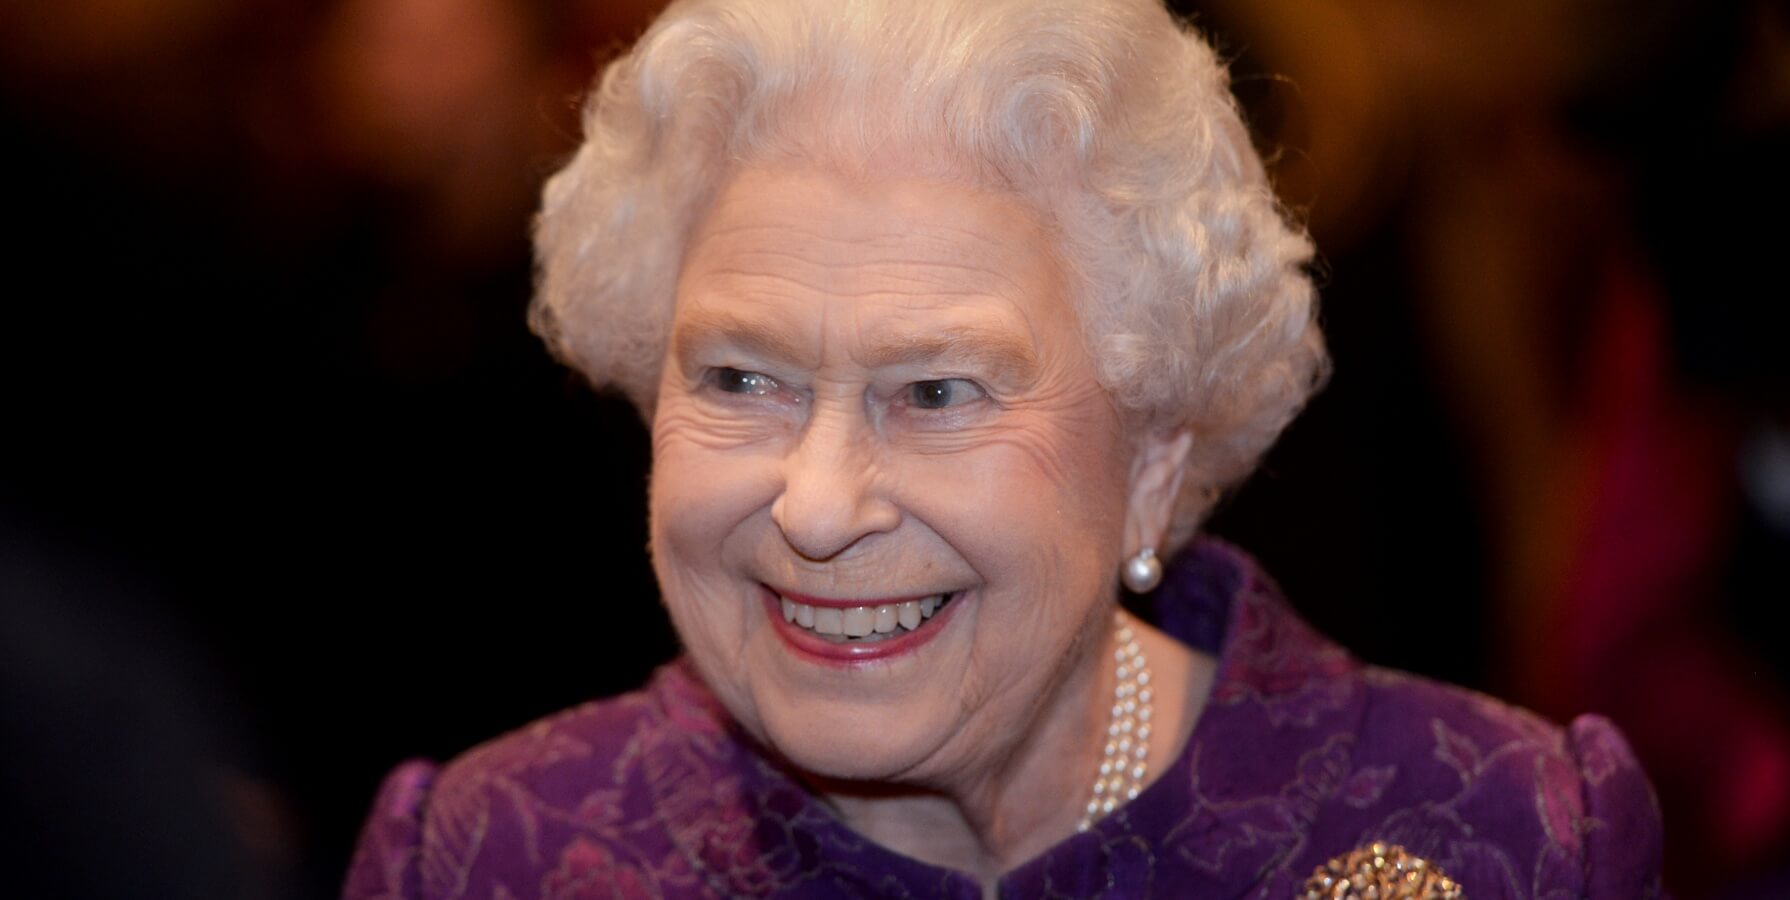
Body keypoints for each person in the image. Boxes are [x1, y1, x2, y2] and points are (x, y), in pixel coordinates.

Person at [342, 0, 1666, 896]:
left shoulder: (1502, 834)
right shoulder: (483, 855)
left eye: (937, 393)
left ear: (1153, 452)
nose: (814, 505)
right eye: (741, 379)